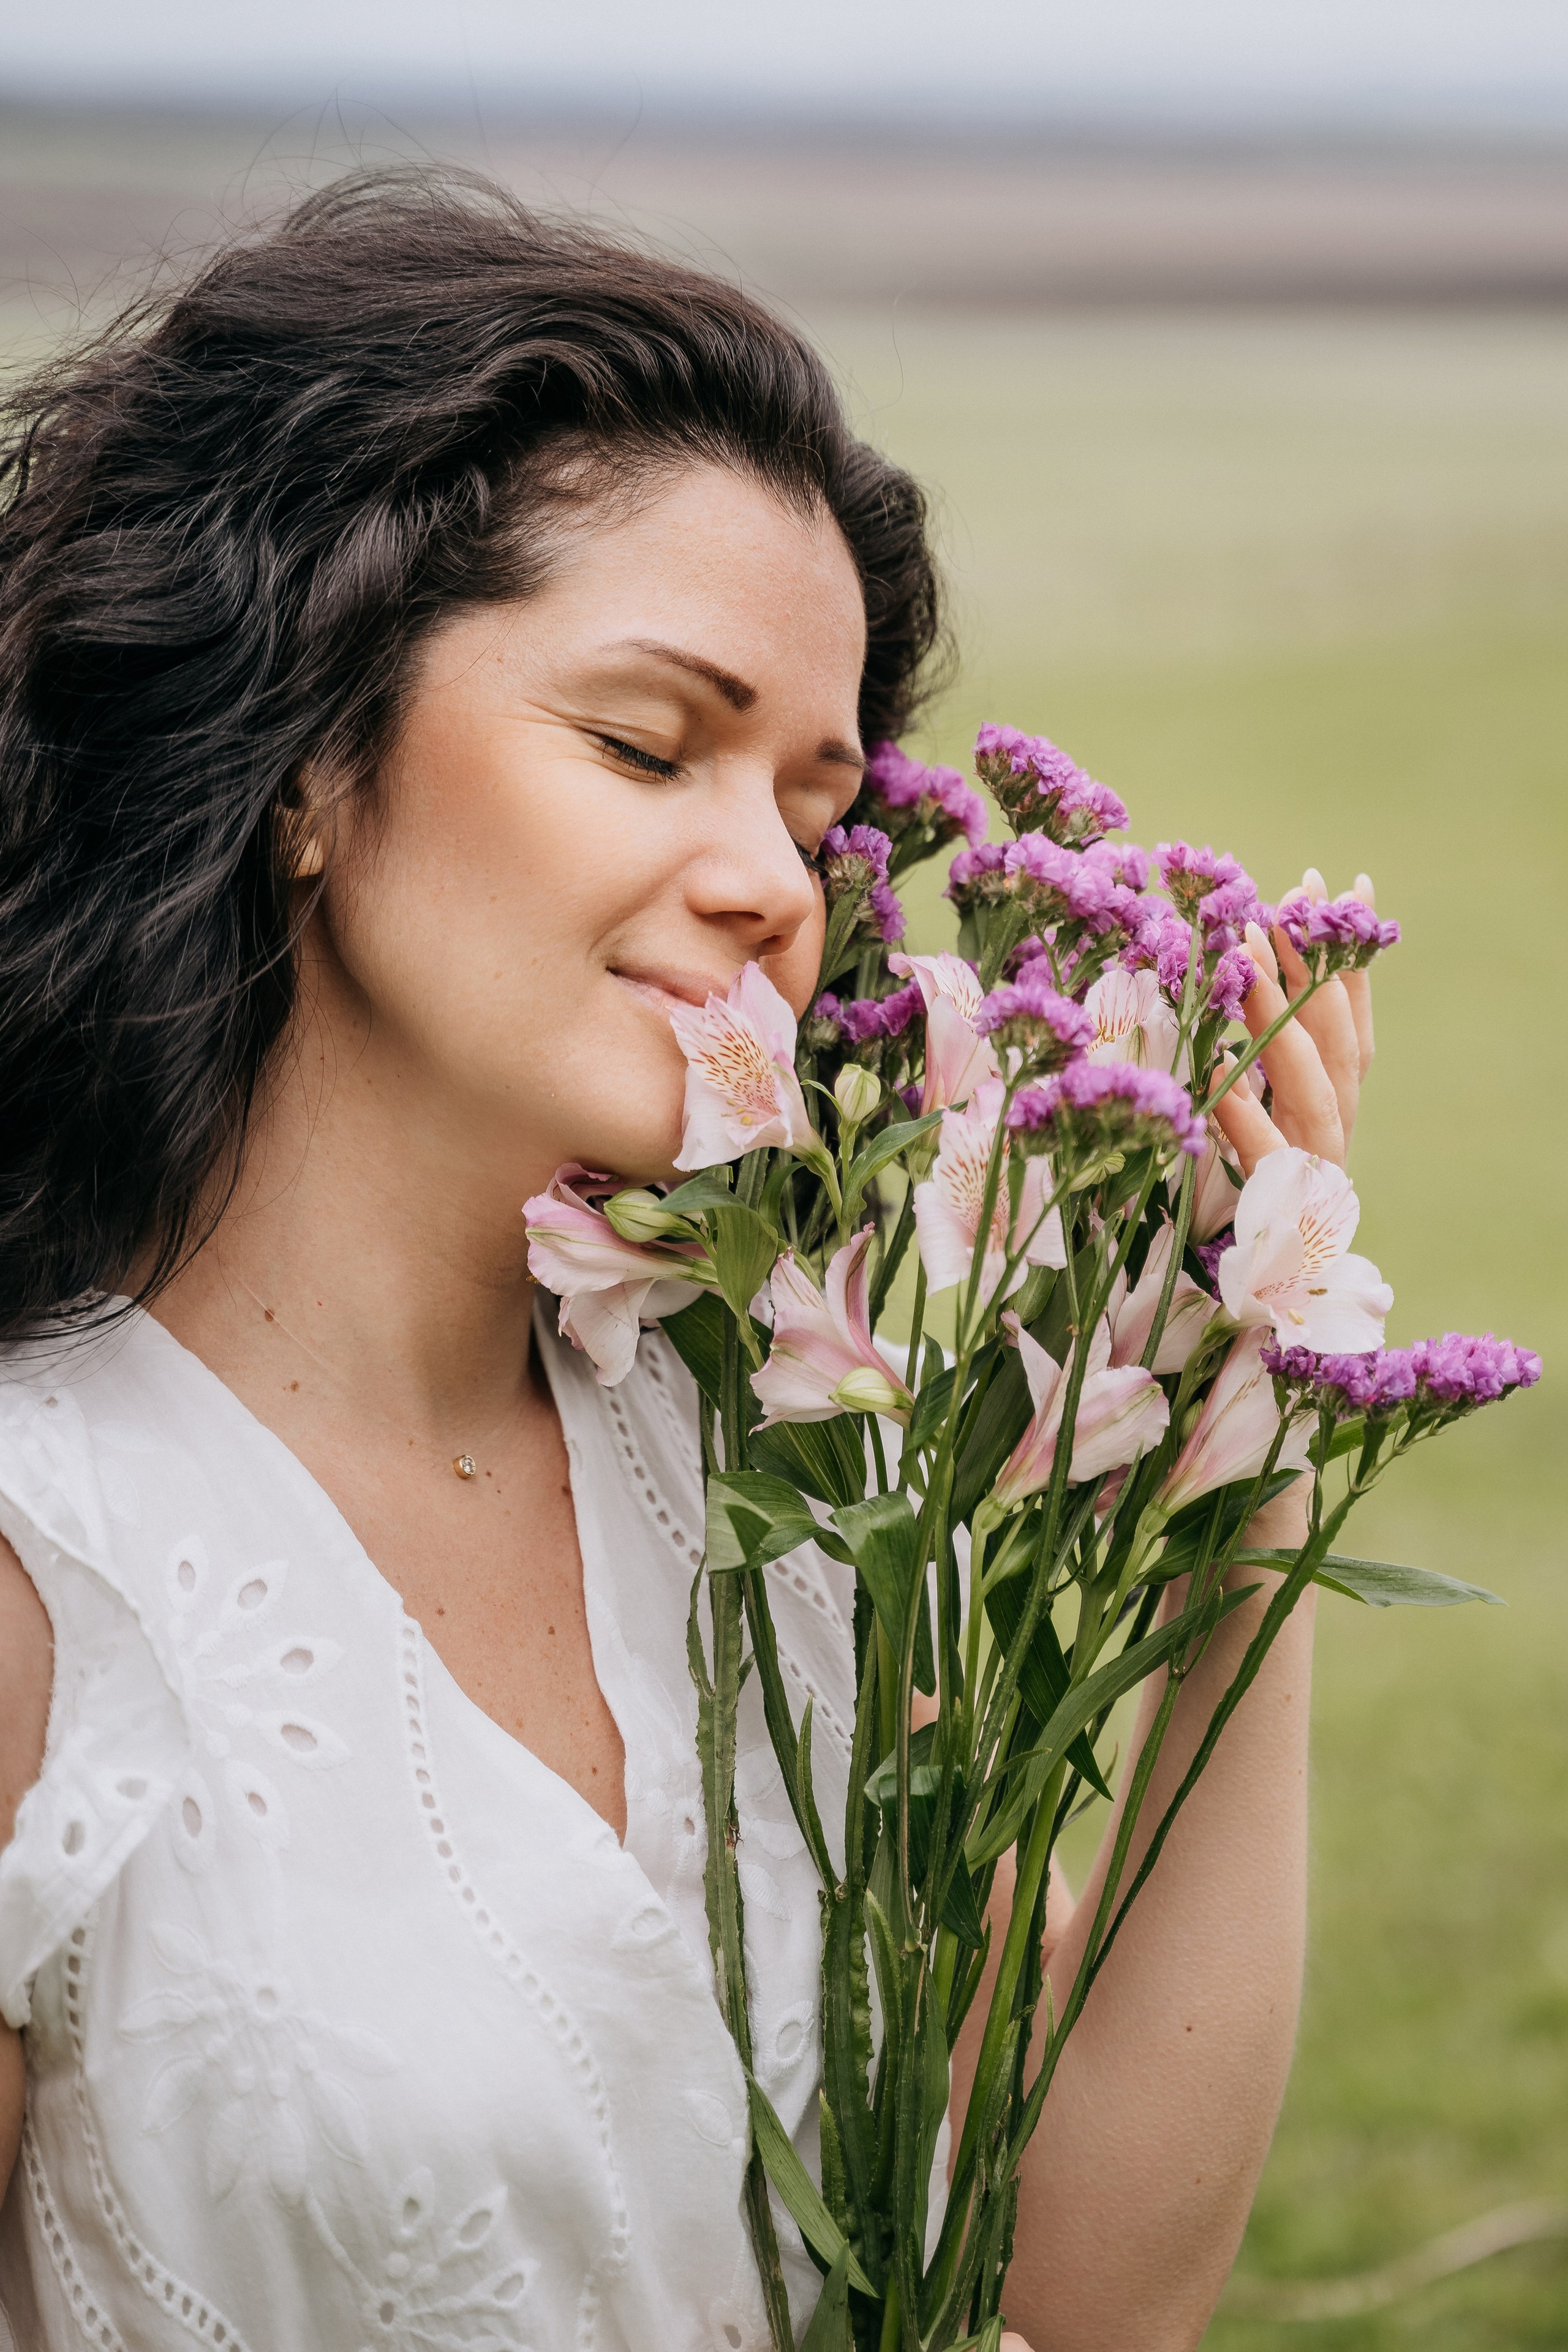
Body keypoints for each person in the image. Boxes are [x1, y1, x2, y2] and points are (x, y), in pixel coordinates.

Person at [0, 168, 1374, 2352]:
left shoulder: (790, 1460)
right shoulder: (42, 1562)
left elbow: (1086, 2300)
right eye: (650, 744)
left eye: (821, 809)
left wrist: (1248, 1454)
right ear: (302, 753)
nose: (777, 887)